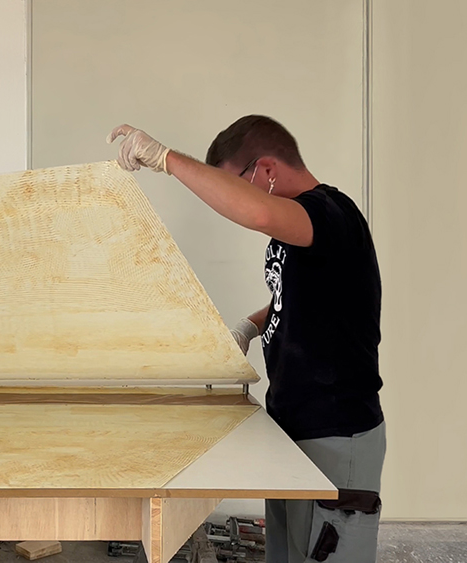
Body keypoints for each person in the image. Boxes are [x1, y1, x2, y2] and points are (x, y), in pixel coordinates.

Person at [109, 116, 384, 563]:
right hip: (293, 424)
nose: (233, 201)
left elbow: (257, 212)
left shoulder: (330, 215)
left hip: (336, 432)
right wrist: (250, 326)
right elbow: (296, 297)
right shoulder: (300, 230)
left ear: (267, 170)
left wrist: (166, 159)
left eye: (235, 184)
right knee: (288, 553)